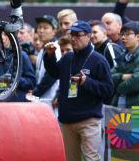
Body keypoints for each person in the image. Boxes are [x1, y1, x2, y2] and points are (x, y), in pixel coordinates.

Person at [43, 20, 113, 161]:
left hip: (88, 120)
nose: (73, 38)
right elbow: (54, 73)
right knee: (70, 159)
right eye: (72, 35)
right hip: (66, 120)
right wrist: (50, 56)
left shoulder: (98, 60)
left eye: (78, 35)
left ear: (88, 36)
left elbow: (108, 90)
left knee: (91, 158)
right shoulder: (68, 57)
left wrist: (87, 82)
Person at [111, 22, 139, 110]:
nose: (123, 37)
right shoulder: (123, 56)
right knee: (116, 120)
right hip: (118, 104)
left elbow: (134, 84)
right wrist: (122, 76)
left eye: (127, 34)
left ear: (138, 36)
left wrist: (117, 87)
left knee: (136, 120)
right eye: (122, 34)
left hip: (138, 107)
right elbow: (109, 77)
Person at [33, 15, 61, 100]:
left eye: (45, 28)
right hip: (42, 99)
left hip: (52, 99)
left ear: (54, 31)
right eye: (39, 27)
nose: (41, 31)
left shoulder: (56, 48)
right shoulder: (42, 50)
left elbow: (51, 76)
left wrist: (35, 92)